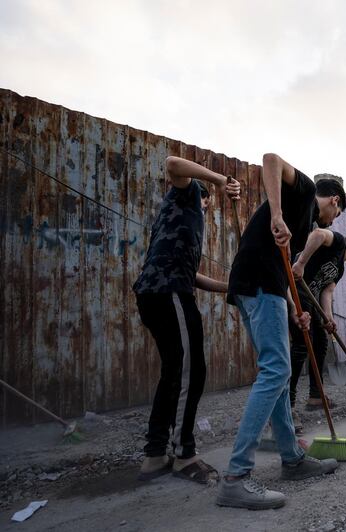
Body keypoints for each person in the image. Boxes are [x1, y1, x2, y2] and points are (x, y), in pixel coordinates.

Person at [216, 153, 346, 510]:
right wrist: (275, 214)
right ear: (335, 200)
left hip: (263, 285)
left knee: (276, 371)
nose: (333, 219)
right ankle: (235, 477)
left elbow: (284, 267)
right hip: (258, 283)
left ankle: (292, 459)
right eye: (337, 213)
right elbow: (271, 159)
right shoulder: (304, 193)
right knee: (277, 370)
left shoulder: (302, 223)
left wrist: (294, 308)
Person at [133, 156, 240, 484]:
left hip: (158, 292)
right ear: (204, 197)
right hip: (169, 294)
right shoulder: (188, 194)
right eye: (209, 205)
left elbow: (189, 274)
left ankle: (154, 455)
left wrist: (229, 286)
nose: (208, 210)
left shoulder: (176, 219)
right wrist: (220, 180)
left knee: (173, 373)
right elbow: (172, 163)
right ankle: (183, 454)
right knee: (191, 373)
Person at [289, 230, 346, 422]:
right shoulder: (338, 243)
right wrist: (300, 263)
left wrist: (329, 318)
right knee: (301, 344)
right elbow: (317, 234)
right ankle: (288, 404)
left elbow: (327, 291)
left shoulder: (340, 269)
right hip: (294, 288)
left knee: (321, 342)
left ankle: (316, 396)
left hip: (311, 297)